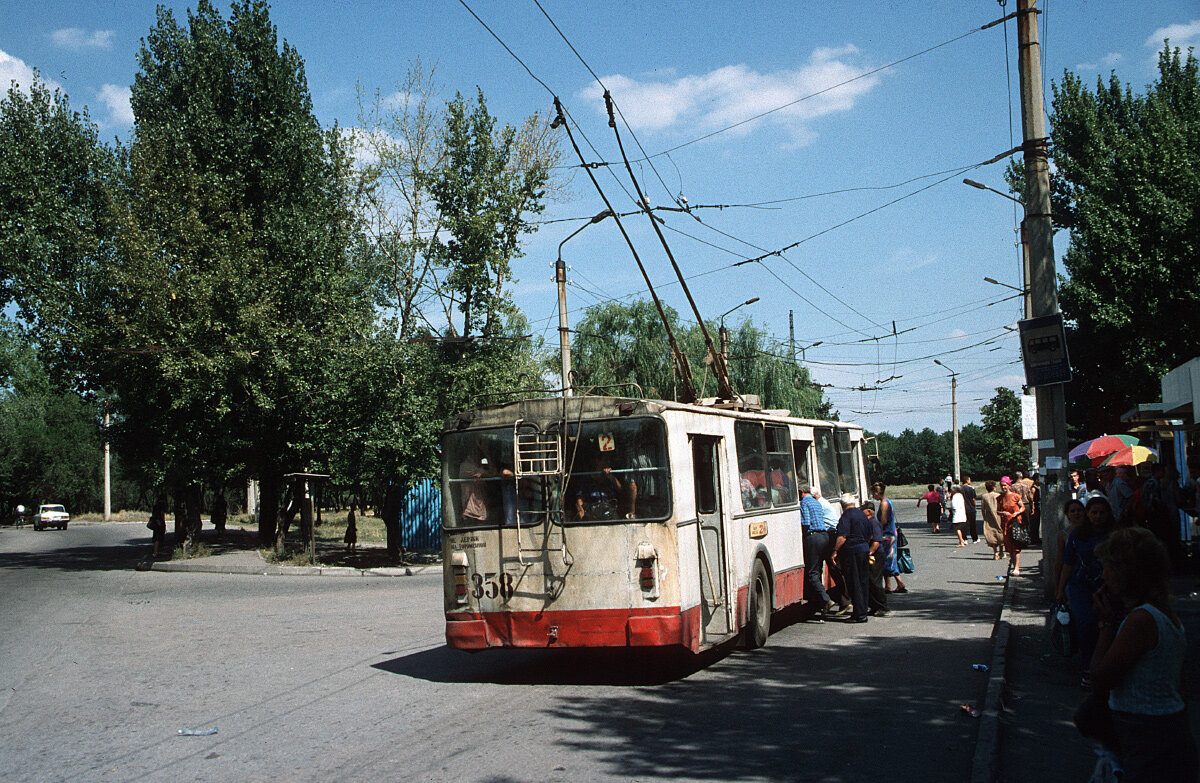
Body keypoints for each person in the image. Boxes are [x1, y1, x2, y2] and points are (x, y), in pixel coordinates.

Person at [1086, 527, 1199, 782]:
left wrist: (1104, 626)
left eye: (1107, 568)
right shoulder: (1162, 614)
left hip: (1149, 734)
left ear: (1126, 573)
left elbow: (1100, 679)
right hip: (1166, 730)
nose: (1103, 576)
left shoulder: (1142, 620)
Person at [1057, 495, 1115, 685]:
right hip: (1080, 588)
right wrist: (1060, 589)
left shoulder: (1115, 535)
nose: (1097, 517)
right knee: (1086, 624)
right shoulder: (1077, 536)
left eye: (1101, 513)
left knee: (1108, 626)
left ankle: (1107, 668)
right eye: (1094, 513)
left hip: (1109, 588)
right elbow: (1067, 564)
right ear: (1088, 515)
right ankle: (1088, 668)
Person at [832, 493, 881, 624]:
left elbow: (842, 536)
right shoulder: (862, 515)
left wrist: (835, 551)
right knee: (863, 581)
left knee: (854, 582)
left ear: (842, 505)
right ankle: (863, 610)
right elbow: (870, 535)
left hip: (852, 551)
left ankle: (859, 614)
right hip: (863, 549)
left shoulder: (846, 516)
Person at [800, 483, 845, 619]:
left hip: (813, 537)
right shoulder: (817, 502)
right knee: (818, 568)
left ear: (801, 492)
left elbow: (806, 522)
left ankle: (826, 600)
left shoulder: (804, 503)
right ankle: (819, 601)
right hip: (824, 536)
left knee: (812, 572)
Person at [872, 482, 907, 594]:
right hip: (891, 534)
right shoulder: (888, 502)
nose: (873, 496)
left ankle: (890, 585)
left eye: (873, 493)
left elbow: (883, 521)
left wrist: (876, 532)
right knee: (890, 559)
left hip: (887, 535)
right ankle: (896, 584)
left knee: (886, 559)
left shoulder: (884, 503)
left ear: (877, 492)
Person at [998, 477, 1026, 575]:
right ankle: (1014, 566)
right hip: (1006, 524)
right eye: (1001, 486)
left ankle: (1017, 568)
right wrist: (1003, 513)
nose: (1003, 487)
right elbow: (998, 511)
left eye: (1005, 485)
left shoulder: (1015, 496)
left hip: (1015, 523)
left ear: (1009, 485)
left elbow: (1023, 507)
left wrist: (1017, 513)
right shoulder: (1000, 498)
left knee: (1016, 547)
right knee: (1009, 547)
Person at [980, 480, 1004, 560]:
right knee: (1000, 532)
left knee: (991, 533)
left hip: (989, 516)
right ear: (994, 487)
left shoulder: (984, 496)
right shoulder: (998, 495)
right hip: (998, 515)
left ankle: (995, 552)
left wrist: (984, 517)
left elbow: (982, 508)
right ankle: (1001, 552)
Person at [961, 475, 979, 543]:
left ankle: (964, 538)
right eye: (969, 480)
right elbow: (973, 499)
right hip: (971, 508)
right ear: (967, 481)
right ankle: (974, 538)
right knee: (972, 524)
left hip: (963, 508)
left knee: (964, 524)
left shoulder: (960, 489)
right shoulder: (971, 489)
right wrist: (975, 506)